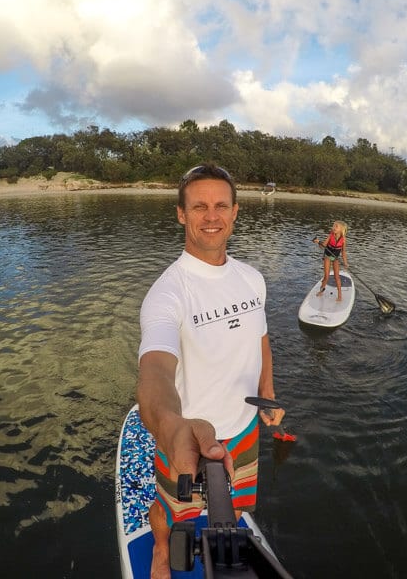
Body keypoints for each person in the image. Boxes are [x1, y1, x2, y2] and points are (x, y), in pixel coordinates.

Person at [136, 163, 284, 579]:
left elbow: (260, 339)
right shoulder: (168, 293)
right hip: (186, 436)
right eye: (199, 206)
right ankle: (162, 552)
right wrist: (169, 425)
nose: (212, 216)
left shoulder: (252, 279)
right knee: (171, 508)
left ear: (236, 211)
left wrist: (267, 394)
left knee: (235, 504)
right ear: (181, 214)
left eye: (221, 205)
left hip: (244, 427)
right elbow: (155, 372)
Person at [313, 220, 349, 301]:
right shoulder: (331, 235)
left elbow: (343, 252)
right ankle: (321, 291)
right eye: (333, 226)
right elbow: (323, 246)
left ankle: (340, 296)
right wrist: (319, 242)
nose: (334, 227)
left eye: (336, 226)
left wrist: (345, 263)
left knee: (337, 277)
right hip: (328, 257)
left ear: (341, 229)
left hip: (335, 258)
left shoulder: (343, 239)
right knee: (326, 276)